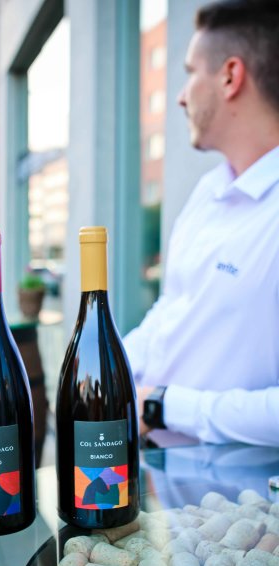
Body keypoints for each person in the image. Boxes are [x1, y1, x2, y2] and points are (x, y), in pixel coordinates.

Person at [124, 0, 279, 446]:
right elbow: (173, 309)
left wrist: (162, 406)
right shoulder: (208, 191)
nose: (180, 95)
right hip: (159, 470)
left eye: (191, 72)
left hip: (235, 489)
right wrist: (108, 367)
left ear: (230, 76)